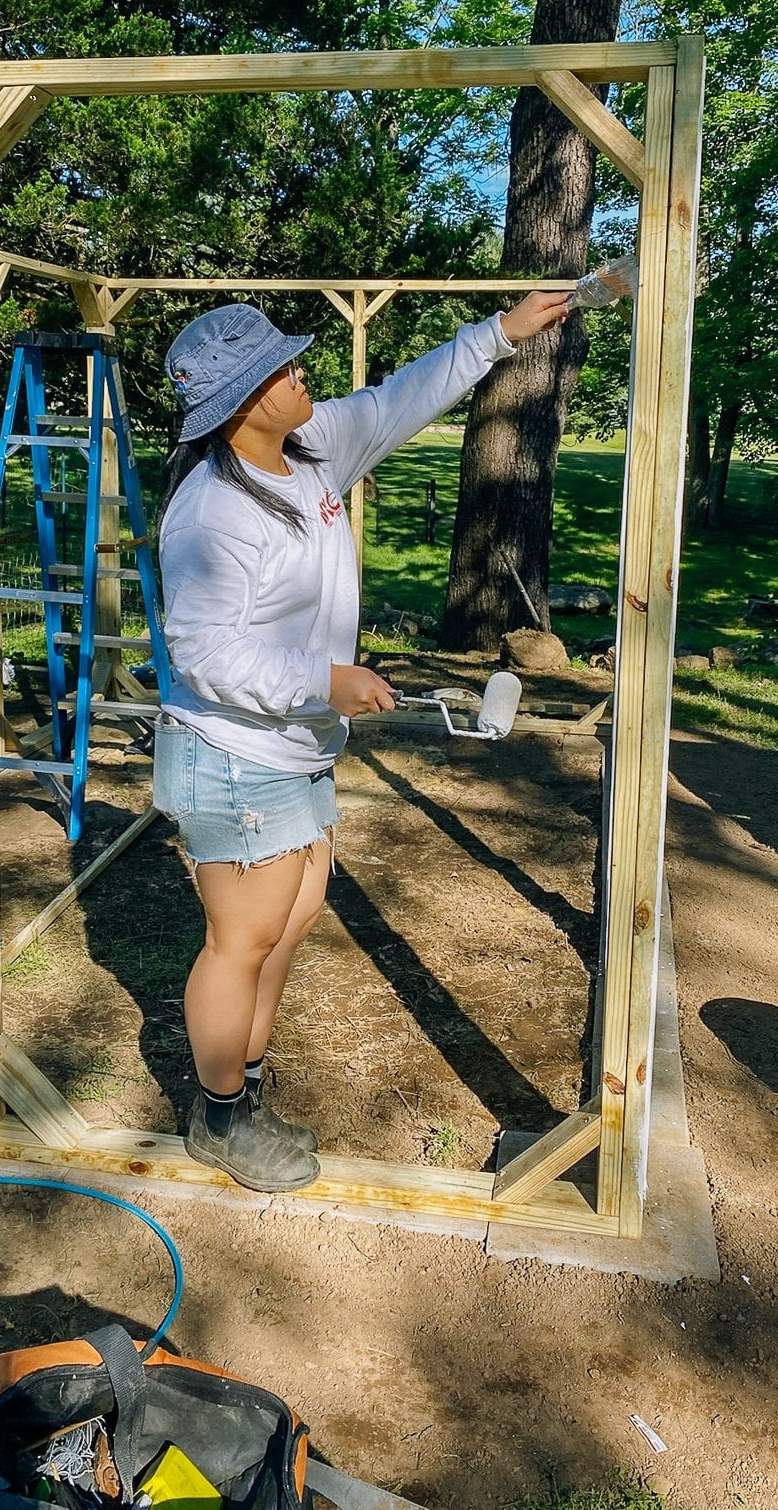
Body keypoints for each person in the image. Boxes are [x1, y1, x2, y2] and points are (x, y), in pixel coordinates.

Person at [153, 289, 571, 1191]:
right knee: (243, 937)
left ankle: (247, 1095)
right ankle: (218, 1116)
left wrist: (502, 334)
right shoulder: (210, 513)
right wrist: (325, 679)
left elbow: (400, 397)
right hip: (233, 752)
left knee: (295, 916)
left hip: (295, 745)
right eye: (282, 367)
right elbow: (202, 649)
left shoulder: (310, 449)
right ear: (238, 402)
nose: (302, 371)